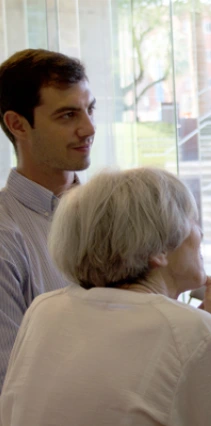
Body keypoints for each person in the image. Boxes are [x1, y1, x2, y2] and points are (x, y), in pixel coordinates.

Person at [0, 167, 211, 425]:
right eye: (192, 220)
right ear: (158, 249)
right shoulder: (193, 330)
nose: (200, 233)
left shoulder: (44, 309)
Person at [0, 48, 96, 391]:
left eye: (89, 109)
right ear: (17, 124)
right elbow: (11, 385)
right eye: (68, 115)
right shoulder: (4, 237)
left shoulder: (117, 215)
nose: (88, 128)